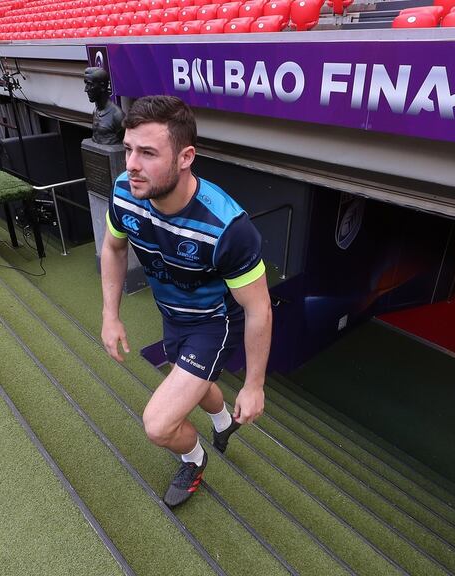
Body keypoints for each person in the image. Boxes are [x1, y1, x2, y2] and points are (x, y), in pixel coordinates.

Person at [101, 96, 272, 507]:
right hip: (172, 316)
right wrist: (111, 315)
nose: (131, 165)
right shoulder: (125, 192)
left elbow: (258, 308)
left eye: (147, 153)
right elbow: (113, 248)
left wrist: (254, 385)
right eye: (128, 149)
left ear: (185, 157)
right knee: (198, 381)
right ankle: (221, 420)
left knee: (159, 425)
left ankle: (194, 460)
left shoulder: (228, 228)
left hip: (215, 324)